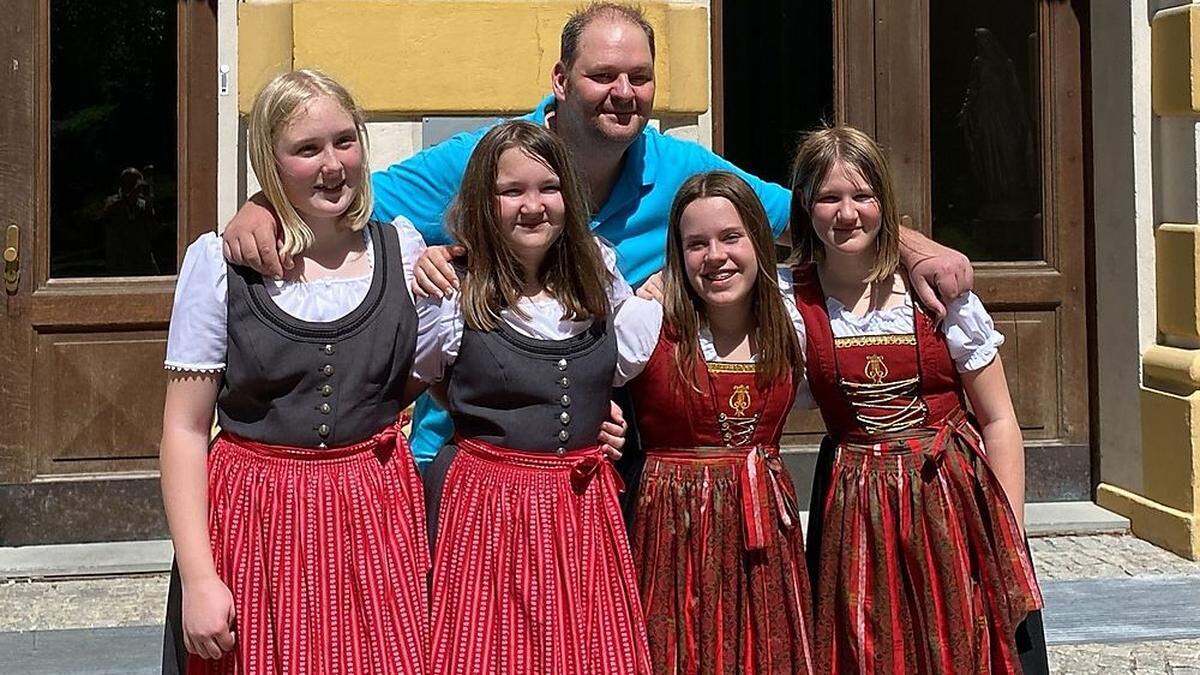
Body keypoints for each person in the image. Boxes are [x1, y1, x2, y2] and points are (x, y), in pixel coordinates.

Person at [218, 2, 975, 473]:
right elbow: (351, 196)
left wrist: (919, 249)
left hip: (619, 461)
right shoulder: (484, 160)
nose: (624, 93)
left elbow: (815, 212)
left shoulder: (683, 168)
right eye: (603, 74)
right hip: (473, 460)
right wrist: (261, 207)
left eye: (640, 77)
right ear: (559, 78)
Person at [159, 70, 429, 674]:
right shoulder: (220, 266)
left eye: (344, 141)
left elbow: (513, 197)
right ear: (270, 163)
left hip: (373, 518)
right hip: (255, 518)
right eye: (306, 149)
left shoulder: (404, 250)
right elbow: (183, 431)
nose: (332, 165)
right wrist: (200, 578)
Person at [787, 126, 1045, 673]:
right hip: (856, 508)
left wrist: (1008, 533)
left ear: (885, 201)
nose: (848, 213)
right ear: (807, 207)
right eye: (830, 198)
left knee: (965, 640)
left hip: (950, 495)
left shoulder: (936, 295)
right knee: (869, 646)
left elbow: (999, 420)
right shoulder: (794, 304)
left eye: (863, 195)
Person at [404, 120, 649, 673]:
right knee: (489, 651)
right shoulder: (453, 291)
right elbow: (419, 382)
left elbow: (628, 369)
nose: (533, 205)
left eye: (548, 188)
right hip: (488, 511)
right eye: (512, 191)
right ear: (483, 205)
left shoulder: (601, 279)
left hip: (584, 508)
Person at [614, 171, 814, 673]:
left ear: (760, 242)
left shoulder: (793, 325)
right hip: (670, 529)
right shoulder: (648, 323)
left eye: (731, 237)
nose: (715, 257)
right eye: (696, 244)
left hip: (763, 529)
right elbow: (575, 384)